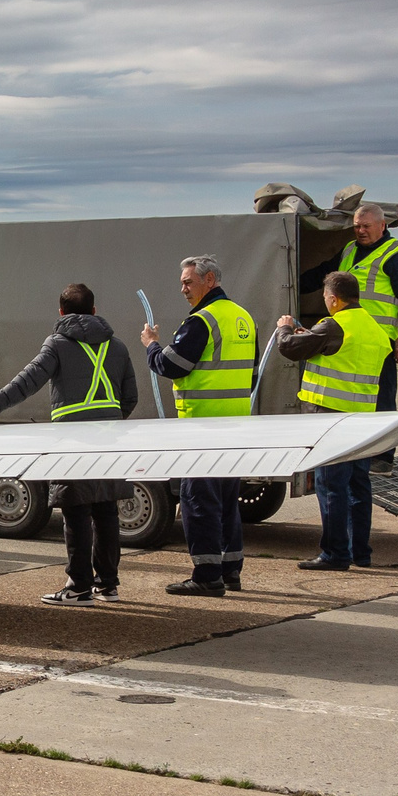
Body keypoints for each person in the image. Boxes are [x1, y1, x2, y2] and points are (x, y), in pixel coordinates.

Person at [0, 283, 138, 605]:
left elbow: (28, 380)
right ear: (94, 310)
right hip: (109, 437)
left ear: (60, 312)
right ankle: (107, 585)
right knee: (105, 508)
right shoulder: (117, 347)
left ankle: (78, 587)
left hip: (70, 439)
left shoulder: (58, 343)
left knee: (75, 509)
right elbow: (130, 397)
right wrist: (108, 420)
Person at [141, 255, 258, 597]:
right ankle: (230, 571)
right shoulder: (243, 317)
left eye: (188, 282)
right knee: (226, 501)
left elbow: (171, 366)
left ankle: (207, 575)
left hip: (202, 427)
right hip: (236, 425)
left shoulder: (202, 321)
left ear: (210, 281)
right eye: (182, 283)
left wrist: (151, 345)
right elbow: (249, 375)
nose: (183, 289)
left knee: (198, 502)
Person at [274, 271, 393, 570]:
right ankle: (359, 552)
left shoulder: (334, 324)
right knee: (357, 486)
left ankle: (335, 553)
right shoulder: (374, 328)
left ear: (334, 299)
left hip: (330, 417)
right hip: (362, 420)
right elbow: (337, 354)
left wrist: (284, 329)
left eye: (326, 298)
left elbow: (288, 348)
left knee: (331, 487)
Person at [303, 203, 398, 472]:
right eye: (356, 226)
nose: (360, 230)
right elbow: (324, 275)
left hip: (380, 340)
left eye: (366, 226)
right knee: (351, 396)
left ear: (382, 226)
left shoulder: (397, 255)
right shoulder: (349, 250)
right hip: (349, 337)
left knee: (383, 398)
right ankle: (356, 450)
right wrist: (290, 282)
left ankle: (383, 457)